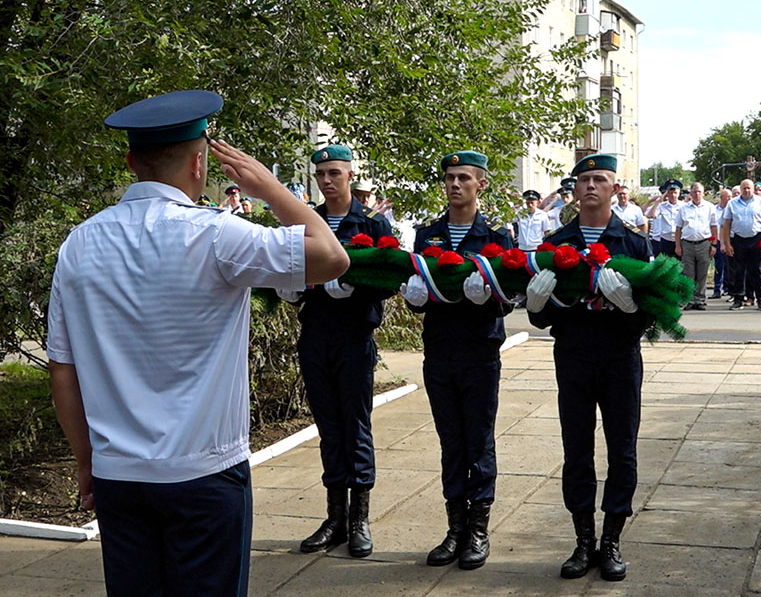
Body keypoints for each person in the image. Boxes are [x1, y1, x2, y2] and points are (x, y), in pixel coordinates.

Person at [47, 90, 348, 597]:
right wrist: (272, 188)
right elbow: (332, 257)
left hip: (120, 474)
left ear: (130, 161)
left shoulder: (80, 243)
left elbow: (63, 370)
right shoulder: (216, 235)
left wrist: (86, 462)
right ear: (199, 162)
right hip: (203, 472)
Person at [527, 153, 651, 583]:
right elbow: (542, 319)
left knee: (623, 450)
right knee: (576, 450)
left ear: (616, 188)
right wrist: (536, 304)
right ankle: (583, 541)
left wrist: (631, 306)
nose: (592, 186)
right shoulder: (556, 243)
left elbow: (652, 314)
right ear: (574, 190)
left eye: (601, 179)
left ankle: (612, 540)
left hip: (620, 358)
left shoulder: (635, 244)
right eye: (585, 180)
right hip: (575, 358)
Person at [276, 144, 394, 558]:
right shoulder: (310, 224)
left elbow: (388, 281)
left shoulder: (374, 226)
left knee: (355, 426)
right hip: (316, 336)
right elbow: (291, 267)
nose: (327, 181)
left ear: (349, 175)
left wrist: (355, 287)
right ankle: (334, 517)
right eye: (321, 174)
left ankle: (359, 518)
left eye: (335, 173)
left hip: (354, 338)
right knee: (328, 427)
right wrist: (289, 292)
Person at [401, 150, 513, 570]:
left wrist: (491, 300)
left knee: (478, 441)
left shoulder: (496, 237)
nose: (454, 184)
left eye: (463, 178)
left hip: (479, 350)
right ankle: (455, 528)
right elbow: (419, 291)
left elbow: (508, 299)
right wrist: (413, 300)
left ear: (480, 184)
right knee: (451, 442)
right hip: (440, 349)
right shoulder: (427, 235)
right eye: (449, 178)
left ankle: (478, 530)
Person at [721, 179, 761, 310]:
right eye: (744, 188)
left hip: (756, 239)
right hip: (738, 240)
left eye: (749, 188)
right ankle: (738, 298)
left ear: (753, 189)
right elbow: (726, 224)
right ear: (741, 189)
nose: (746, 190)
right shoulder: (732, 203)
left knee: (759, 271)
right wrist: (727, 244)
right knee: (738, 271)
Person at [675, 182, 717, 310]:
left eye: (699, 191)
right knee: (688, 274)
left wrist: (714, 244)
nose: (697, 194)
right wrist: (678, 245)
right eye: (694, 192)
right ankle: (689, 300)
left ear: (703, 193)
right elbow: (678, 228)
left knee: (702, 273)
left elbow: (714, 226)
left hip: (704, 243)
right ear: (690, 193)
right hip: (687, 243)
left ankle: (700, 299)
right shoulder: (684, 208)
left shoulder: (710, 207)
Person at [645, 179, 682, 257]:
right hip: (666, 240)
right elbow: (651, 215)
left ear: (679, 193)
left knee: (679, 264)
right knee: (665, 264)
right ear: (667, 194)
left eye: (675, 193)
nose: (673, 195)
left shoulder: (684, 206)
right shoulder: (662, 206)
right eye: (670, 193)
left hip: (680, 239)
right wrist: (658, 202)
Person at [711, 188, 732, 298]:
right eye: (727, 196)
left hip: (730, 241)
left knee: (731, 267)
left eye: (730, 196)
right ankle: (717, 289)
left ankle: (729, 289)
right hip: (718, 241)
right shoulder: (714, 209)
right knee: (719, 266)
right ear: (721, 198)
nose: (729, 199)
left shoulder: (732, 208)